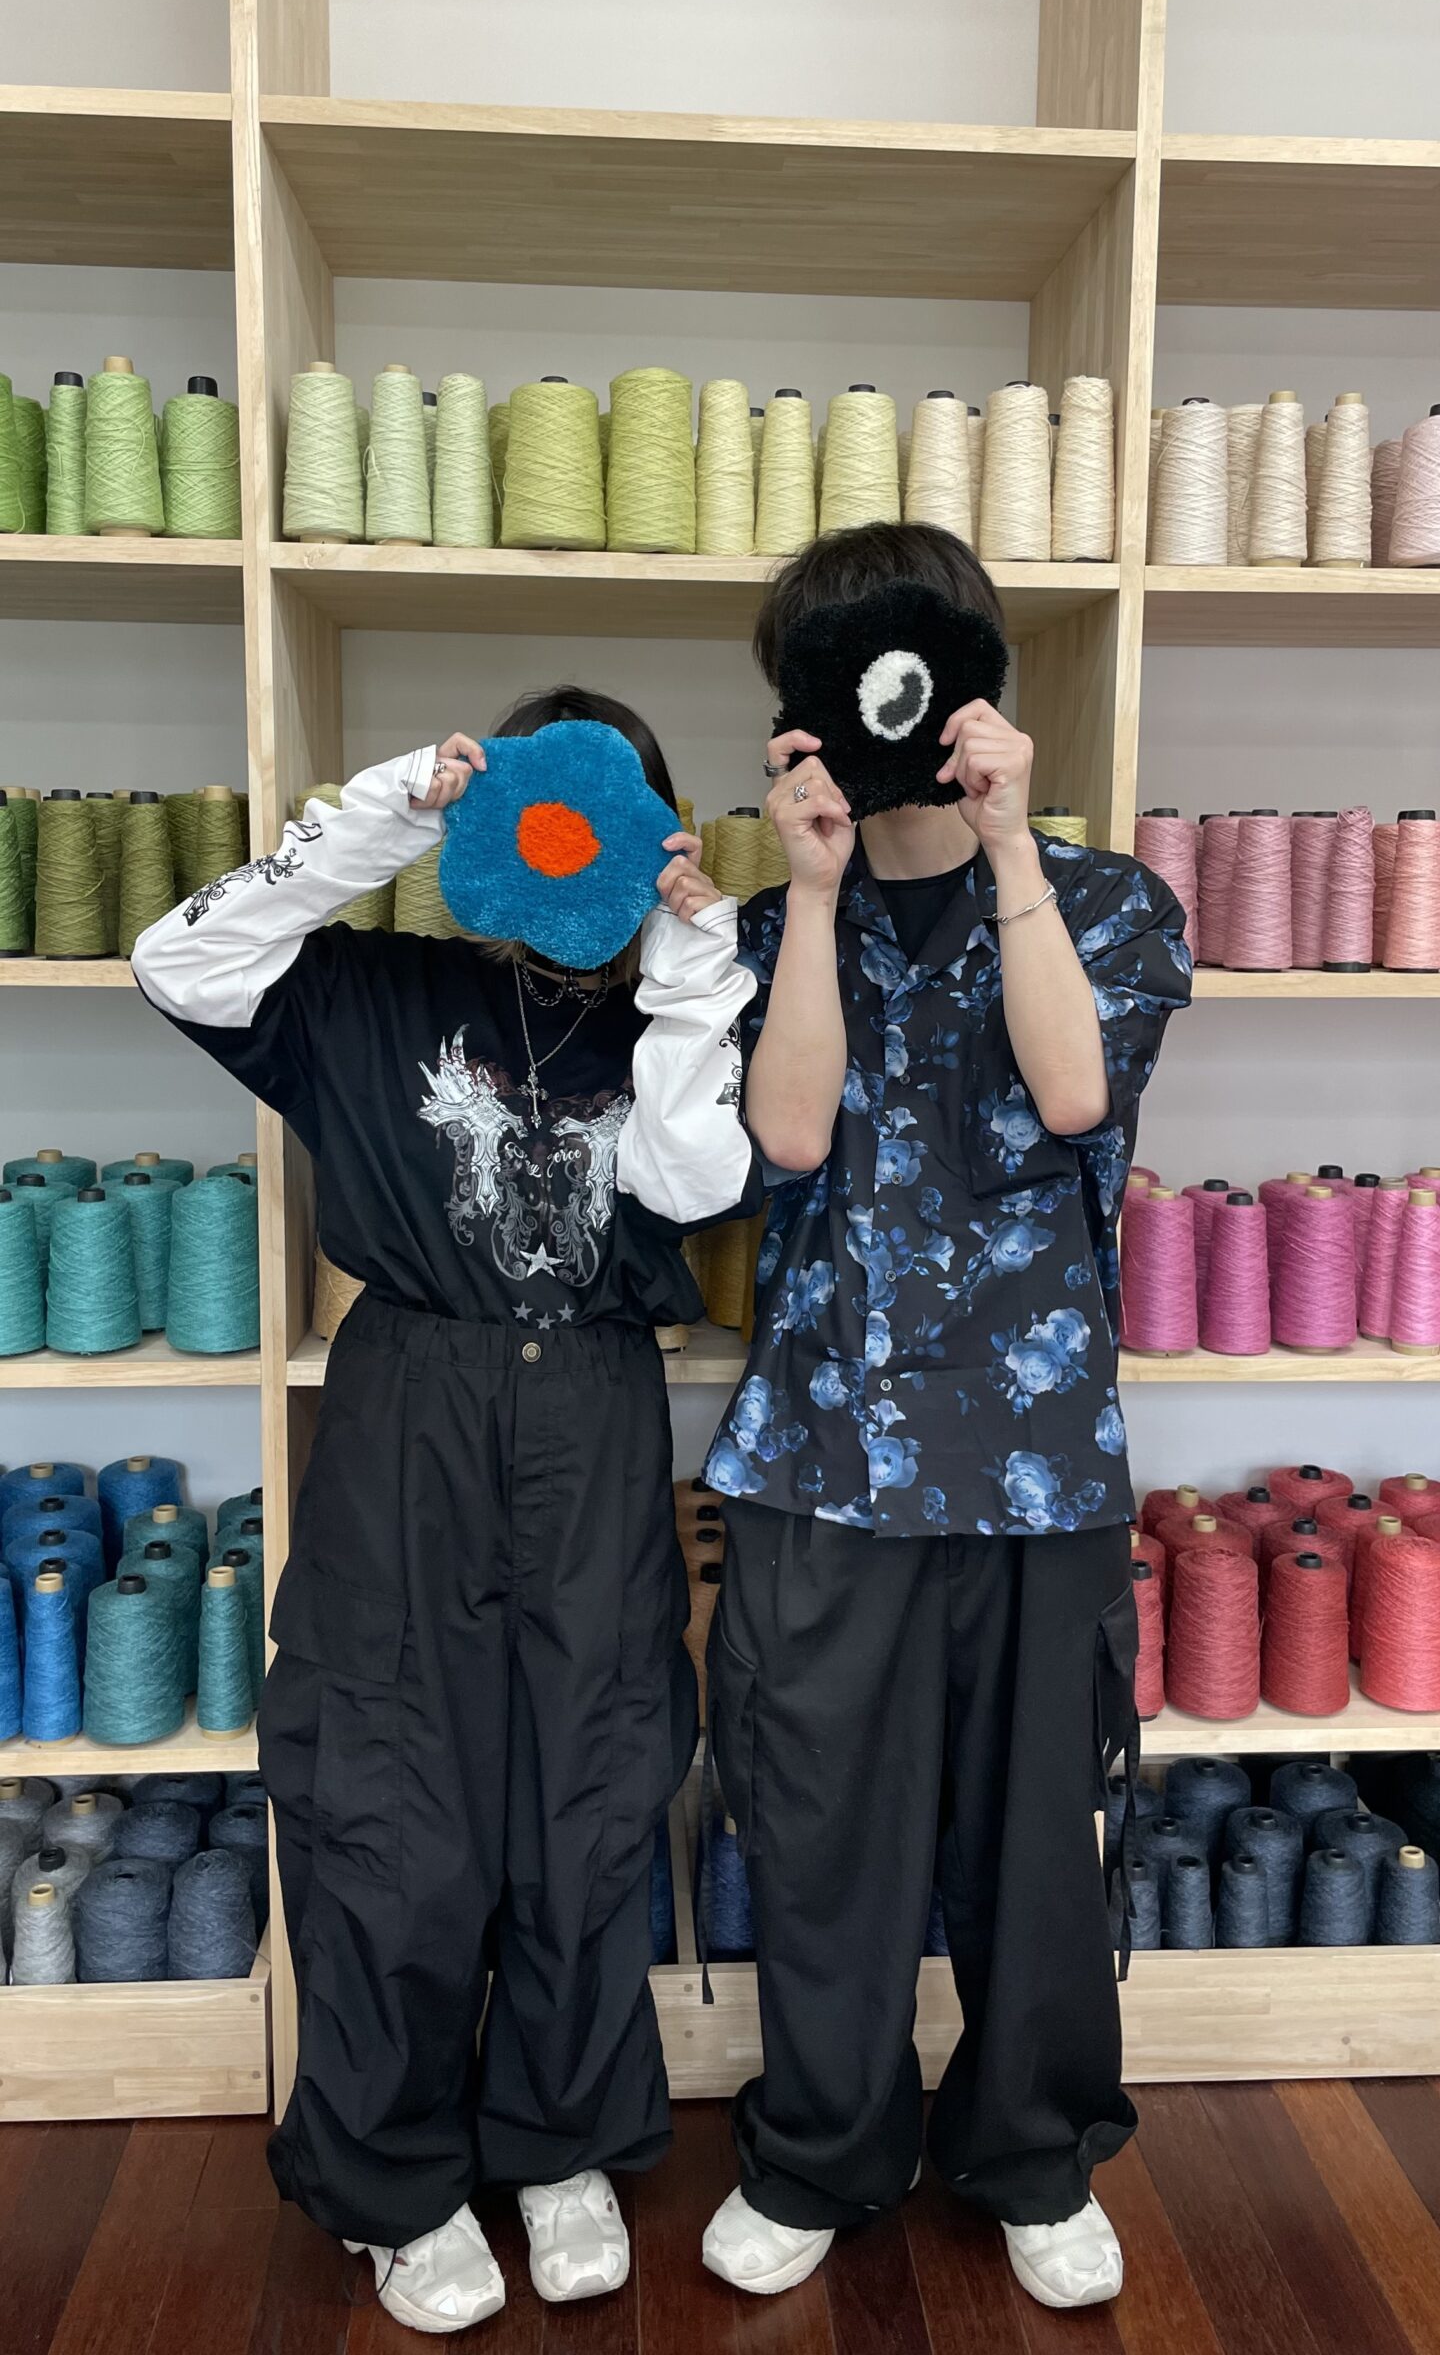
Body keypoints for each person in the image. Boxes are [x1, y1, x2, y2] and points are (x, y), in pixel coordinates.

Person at [133, 685, 757, 2335]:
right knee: (385, 1800)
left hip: (594, 1415)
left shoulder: (686, 1014)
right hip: (410, 1405)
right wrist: (384, 817)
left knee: (590, 1790)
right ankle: (393, 2176)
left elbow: (695, 1184)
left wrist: (693, 959)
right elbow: (178, 959)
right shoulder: (378, 988)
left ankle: (559, 2139)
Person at [697, 524, 1191, 2311]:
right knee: (820, 1832)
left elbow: (1071, 1092)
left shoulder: (1111, 904)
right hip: (821, 1457)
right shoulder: (764, 931)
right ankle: (823, 2149)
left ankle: (1035, 2152)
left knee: (1035, 1843)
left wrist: (1007, 848)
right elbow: (790, 1139)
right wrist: (819, 893)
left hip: (1038, 1462)